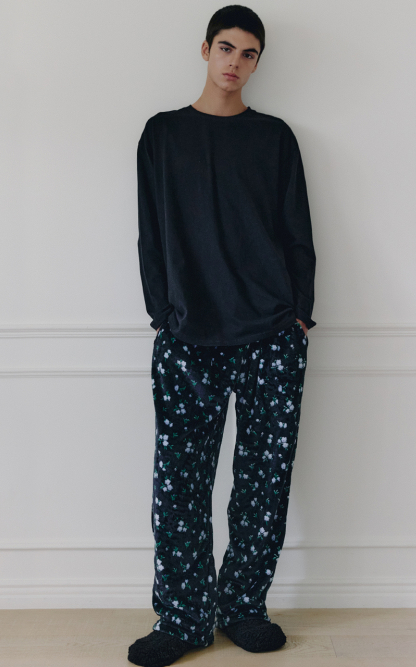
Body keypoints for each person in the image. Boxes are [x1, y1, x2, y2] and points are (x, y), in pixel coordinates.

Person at [128, 5, 316, 666]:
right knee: (179, 484)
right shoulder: (163, 134)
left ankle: (243, 608)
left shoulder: (274, 138)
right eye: (227, 48)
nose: (236, 62)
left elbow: (296, 231)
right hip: (188, 335)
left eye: (249, 53)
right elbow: (150, 231)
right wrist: (163, 312)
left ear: (258, 63)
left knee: (263, 481)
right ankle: (183, 618)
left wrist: (300, 313)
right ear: (205, 49)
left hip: (271, 333)